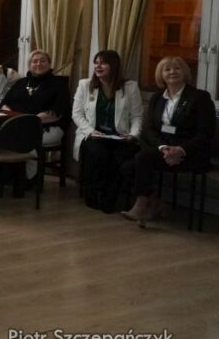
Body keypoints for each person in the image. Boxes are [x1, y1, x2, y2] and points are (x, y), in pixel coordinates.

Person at [120, 57, 215, 225]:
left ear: (185, 72)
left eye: (177, 68)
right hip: (163, 150)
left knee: (143, 159)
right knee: (127, 164)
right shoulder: (157, 98)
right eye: (167, 69)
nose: (172, 72)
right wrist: (163, 147)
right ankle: (155, 202)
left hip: (191, 153)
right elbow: (149, 130)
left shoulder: (199, 97)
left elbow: (205, 134)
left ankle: (141, 205)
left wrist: (180, 150)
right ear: (161, 75)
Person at [72, 50, 143, 212]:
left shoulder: (130, 87)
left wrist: (133, 135)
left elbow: (137, 117)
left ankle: (111, 198)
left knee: (120, 156)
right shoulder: (85, 85)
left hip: (120, 136)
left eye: (103, 63)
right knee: (98, 153)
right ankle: (94, 196)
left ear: (114, 65)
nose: (98, 66)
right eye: (96, 63)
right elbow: (76, 114)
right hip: (94, 135)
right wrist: (90, 131)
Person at [0, 50, 70, 181]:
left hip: (48, 127)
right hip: (19, 125)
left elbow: (57, 112)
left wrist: (27, 121)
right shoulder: (21, 83)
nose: (38, 64)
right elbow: (4, 104)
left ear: (49, 64)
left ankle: (29, 178)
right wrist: (12, 116)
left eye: (42, 61)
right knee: (1, 134)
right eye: (34, 61)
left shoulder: (58, 84)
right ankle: (8, 176)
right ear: (29, 64)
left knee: (25, 138)